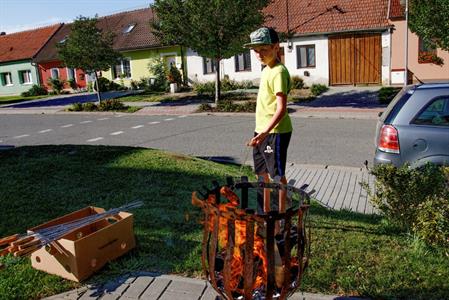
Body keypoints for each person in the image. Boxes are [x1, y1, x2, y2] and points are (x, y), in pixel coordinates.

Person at [244, 27, 292, 218]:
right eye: (255, 50)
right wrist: (259, 133)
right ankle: (265, 212)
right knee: (261, 173)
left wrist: (264, 133)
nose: (259, 54)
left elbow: (281, 109)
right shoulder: (266, 70)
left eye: (263, 49)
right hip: (261, 131)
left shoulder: (279, 72)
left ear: (275, 47)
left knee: (276, 175)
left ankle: (281, 214)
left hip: (276, 132)